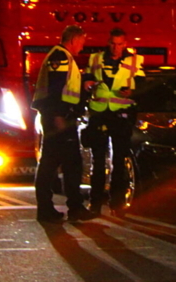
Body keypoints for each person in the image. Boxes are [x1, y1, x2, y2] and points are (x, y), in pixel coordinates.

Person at [32, 25, 97, 223]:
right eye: (82, 41)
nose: (83, 46)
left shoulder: (64, 57)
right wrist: (59, 116)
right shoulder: (60, 56)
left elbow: (66, 86)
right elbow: (56, 88)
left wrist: (84, 84)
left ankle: (57, 208)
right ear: (73, 39)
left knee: (65, 164)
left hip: (59, 117)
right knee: (57, 164)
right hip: (58, 119)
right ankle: (64, 208)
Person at [86, 27, 144, 216]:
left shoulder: (135, 61)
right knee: (98, 160)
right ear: (108, 42)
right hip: (100, 113)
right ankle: (95, 204)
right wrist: (87, 83)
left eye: (119, 44)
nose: (115, 48)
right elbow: (87, 76)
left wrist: (132, 93)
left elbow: (143, 85)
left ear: (125, 44)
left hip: (121, 114)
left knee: (119, 161)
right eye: (112, 43)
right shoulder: (95, 59)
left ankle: (116, 204)